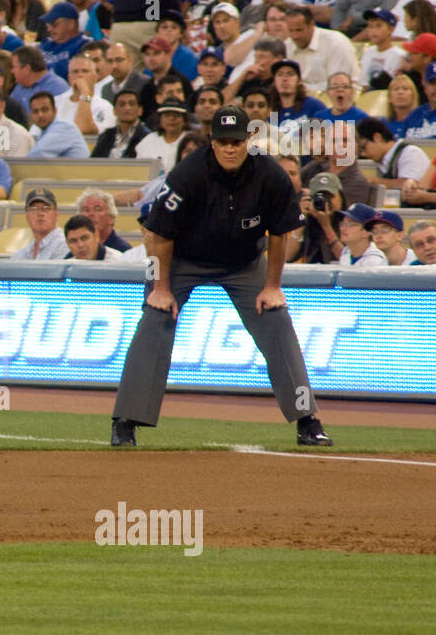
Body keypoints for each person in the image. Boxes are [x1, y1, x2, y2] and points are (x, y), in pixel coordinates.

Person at [111, 105, 333, 448]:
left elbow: (280, 233)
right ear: (211, 141)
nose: (231, 148)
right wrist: (160, 288)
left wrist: (273, 286)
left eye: (237, 141)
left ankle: (308, 420)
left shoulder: (270, 174)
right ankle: (126, 420)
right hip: (183, 258)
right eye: (224, 141)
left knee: (276, 319)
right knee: (155, 317)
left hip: (244, 262)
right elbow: (159, 236)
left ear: (250, 139)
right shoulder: (188, 173)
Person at [10, 188, 69, 260]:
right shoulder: (22, 253)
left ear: (56, 214)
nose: (40, 214)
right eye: (34, 209)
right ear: (27, 216)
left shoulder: (66, 244)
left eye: (46, 209)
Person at [27, 90, 89, 158]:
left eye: (44, 110)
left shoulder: (64, 128)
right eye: (35, 111)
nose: (40, 115)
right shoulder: (43, 131)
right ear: (31, 115)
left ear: (55, 111)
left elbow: (36, 156)